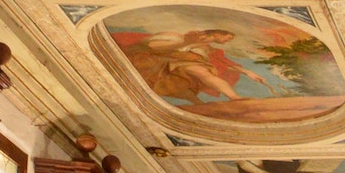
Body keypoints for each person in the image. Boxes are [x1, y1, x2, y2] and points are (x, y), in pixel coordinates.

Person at [116, 27, 277, 104]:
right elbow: (151, 46)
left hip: (187, 61)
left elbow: (222, 63)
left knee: (183, 85)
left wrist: (247, 71)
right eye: (227, 38)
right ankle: (234, 98)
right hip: (174, 59)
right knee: (201, 74)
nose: (227, 41)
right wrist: (186, 42)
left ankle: (200, 105)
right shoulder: (185, 36)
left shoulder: (209, 49)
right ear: (217, 34)